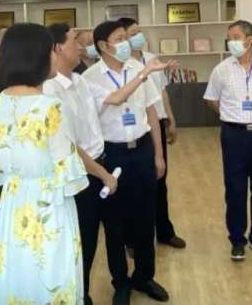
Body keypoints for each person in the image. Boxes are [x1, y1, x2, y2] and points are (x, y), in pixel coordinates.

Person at [0, 23, 89, 305]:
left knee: (19, 270)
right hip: (48, 200)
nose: (55, 56)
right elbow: (67, 169)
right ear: (37, 56)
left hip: (13, 201)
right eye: (51, 51)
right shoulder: (50, 106)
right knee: (51, 269)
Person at [83, 20, 172, 305]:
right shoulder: (91, 78)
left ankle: (144, 276)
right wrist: (144, 74)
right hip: (112, 154)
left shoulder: (136, 68)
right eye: (120, 38)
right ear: (103, 46)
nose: (126, 43)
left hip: (142, 149)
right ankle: (120, 282)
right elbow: (116, 98)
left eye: (126, 37)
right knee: (115, 222)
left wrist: (158, 154)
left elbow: (151, 112)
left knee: (146, 217)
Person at [44, 23, 119, 305]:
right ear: (57, 48)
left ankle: (89, 292)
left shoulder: (80, 80)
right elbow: (68, 145)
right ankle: (78, 296)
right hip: (80, 175)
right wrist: (103, 174)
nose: (80, 46)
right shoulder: (49, 90)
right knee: (79, 243)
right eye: (74, 40)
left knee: (98, 238)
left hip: (98, 167)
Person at [204, 20, 252, 262]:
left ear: (250, 39)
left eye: (235, 37)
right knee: (235, 189)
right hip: (234, 135)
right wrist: (231, 116)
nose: (231, 42)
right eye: (229, 37)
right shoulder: (221, 70)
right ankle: (237, 240)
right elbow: (211, 99)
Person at [118, 18, 186, 250]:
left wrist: (171, 120)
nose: (138, 36)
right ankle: (133, 238)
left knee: (160, 179)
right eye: (132, 33)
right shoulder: (122, 66)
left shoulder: (152, 59)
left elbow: (162, 93)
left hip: (158, 123)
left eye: (139, 32)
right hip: (137, 128)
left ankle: (164, 231)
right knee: (135, 186)